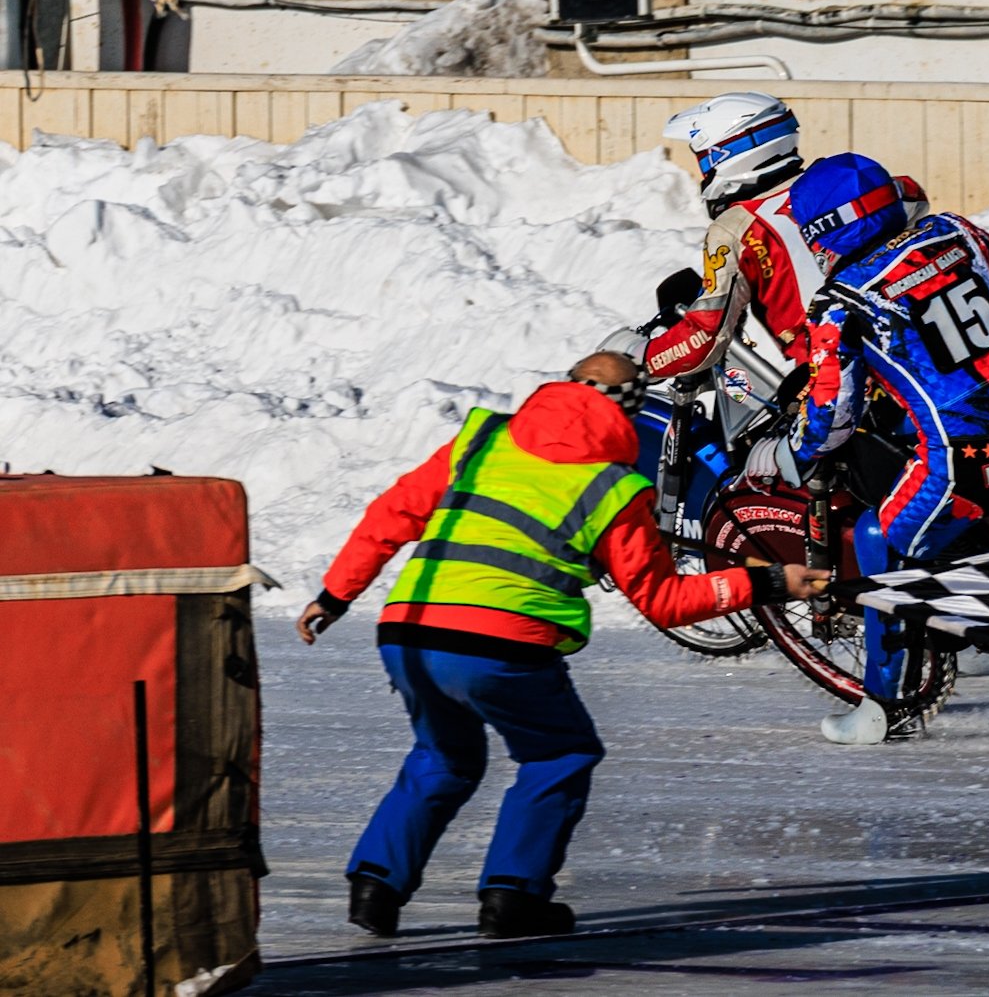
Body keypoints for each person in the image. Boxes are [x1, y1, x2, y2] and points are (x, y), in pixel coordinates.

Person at [295, 351, 826, 939]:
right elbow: (665, 601)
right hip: (501, 644)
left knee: (444, 758)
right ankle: (513, 897)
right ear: (629, 408)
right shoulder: (614, 487)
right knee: (558, 755)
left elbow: (391, 513)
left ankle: (376, 885)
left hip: (408, 634)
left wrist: (335, 595)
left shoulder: (484, 440)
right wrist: (769, 582)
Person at [740, 153, 989, 744]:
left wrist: (782, 453)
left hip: (970, 460)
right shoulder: (955, 231)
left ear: (826, 230)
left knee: (880, 538)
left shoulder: (841, 303)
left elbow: (830, 419)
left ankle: (887, 707)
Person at [604, 92, 824, 379]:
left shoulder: (736, 226)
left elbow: (706, 335)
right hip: (879, 352)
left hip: (830, 373)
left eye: (705, 159)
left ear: (727, 154)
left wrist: (640, 357)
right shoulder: (839, 184)